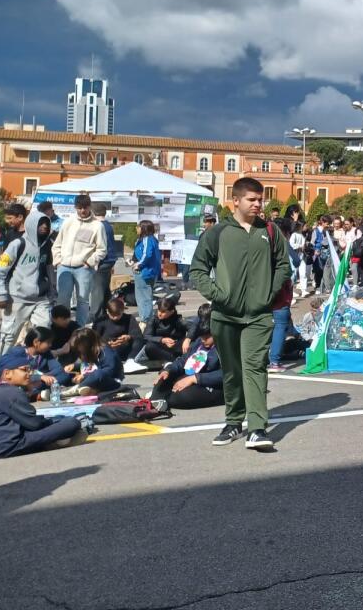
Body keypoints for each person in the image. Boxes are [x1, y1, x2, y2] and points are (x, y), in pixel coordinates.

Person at [190, 177, 291, 452]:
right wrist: (217, 294)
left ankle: (257, 428)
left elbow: (284, 265)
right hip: (225, 316)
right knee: (232, 371)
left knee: (254, 368)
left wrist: (269, 292)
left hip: (259, 316)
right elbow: (198, 269)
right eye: (252, 199)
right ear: (235, 200)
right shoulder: (218, 232)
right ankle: (233, 421)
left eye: (260, 200)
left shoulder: (269, 231)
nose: (258, 204)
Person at [0, 351, 86, 458]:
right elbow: (35, 424)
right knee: (72, 422)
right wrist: (53, 422)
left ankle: (54, 440)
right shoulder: (12, 393)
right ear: (7, 374)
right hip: (9, 446)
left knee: (57, 419)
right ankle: (53, 443)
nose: (29, 374)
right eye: (24, 370)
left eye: (29, 370)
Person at [0, 209, 53, 356]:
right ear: (32, 224)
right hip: (17, 299)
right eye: (41, 224)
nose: (44, 227)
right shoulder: (17, 244)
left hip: (41, 299)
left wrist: (53, 291)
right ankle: (1, 367)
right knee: (9, 337)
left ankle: (34, 365)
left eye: (46, 224)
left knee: (43, 333)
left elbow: (49, 268)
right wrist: (1, 294)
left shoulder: (47, 245)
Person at [53, 193, 107, 328]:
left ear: (90, 207)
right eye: (79, 208)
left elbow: (102, 249)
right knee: (62, 299)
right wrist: (58, 260)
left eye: (85, 207)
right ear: (75, 207)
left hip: (84, 268)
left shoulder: (97, 226)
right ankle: (61, 327)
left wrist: (90, 262)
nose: (82, 210)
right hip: (64, 266)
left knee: (82, 300)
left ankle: (79, 329)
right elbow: (57, 243)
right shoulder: (68, 222)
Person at [149, 319, 225, 410]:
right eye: (201, 337)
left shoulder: (225, 347)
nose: (203, 340)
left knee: (182, 396)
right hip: (191, 376)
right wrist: (168, 370)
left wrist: (195, 378)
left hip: (214, 384)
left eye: (206, 337)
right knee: (164, 378)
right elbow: (183, 361)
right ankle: (158, 398)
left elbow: (228, 374)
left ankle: (160, 398)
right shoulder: (199, 343)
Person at [0, 327, 67, 401]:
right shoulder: (17, 352)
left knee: (64, 375)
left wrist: (43, 378)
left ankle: (34, 393)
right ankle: (33, 394)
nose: (50, 345)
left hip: (36, 383)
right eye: (48, 342)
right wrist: (38, 377)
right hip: (18, 383)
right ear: (36, 342)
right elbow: (0, 371)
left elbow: (58, 369)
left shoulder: (46, 354)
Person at [122, 295, 189, 373]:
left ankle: (176, 360)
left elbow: (193, 328)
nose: (160, 314)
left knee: (191, 342)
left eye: (163, 312)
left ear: (171, 312)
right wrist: (162, 340)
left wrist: (187, 339)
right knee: (149, 346)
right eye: (159, 310)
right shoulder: (153, 319)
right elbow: (146, 336)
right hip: (159, 347)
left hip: (175, 346)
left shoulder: (178, 320)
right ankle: (175, 360)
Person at [61, 327, 123, 396]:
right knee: (66, 374)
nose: (77, 348)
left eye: (78, 345)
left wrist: (85, 376)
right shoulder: (87, 353)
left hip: (111, 381)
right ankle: (90, 390)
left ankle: (77, 388)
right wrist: (74, 366)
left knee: (99, 373)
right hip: (92, 380)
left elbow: (109, 371)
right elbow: (91, 366)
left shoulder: (106, 352)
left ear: (87, 343)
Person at [88, 203, 118, 322]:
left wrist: (95, 262)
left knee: (97, 290)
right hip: (109, 260)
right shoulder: (108, 225)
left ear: (93, 212)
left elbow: (98, 245)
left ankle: (94, 316)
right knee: (105, 289)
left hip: (101, 261)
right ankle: (108, 312)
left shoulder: (99, 226)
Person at [131, 220, 162, 325]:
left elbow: (147, 254)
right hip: (145, 271)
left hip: (145, 272)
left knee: (144, 297)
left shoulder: (148, 239)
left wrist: (139, 265)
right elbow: (139, 254)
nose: (136, 228)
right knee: (141, 296)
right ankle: (144, 318)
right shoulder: (143, 240)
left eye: (138, 226)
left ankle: (146, 320)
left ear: (144, 228)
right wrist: (133, 261)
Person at [93, 297, 142, 361]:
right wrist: (107, 344)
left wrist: (128, 337)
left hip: (125, 346)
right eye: (113, 315)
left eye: (118, 315)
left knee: (139, 342)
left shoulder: (129, 318)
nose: (115, 318)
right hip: (107, 347)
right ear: (107, 311)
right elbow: (94, 339)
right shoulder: (101, 321)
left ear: (122, 311)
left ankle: (131, 360)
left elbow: (138, 335)